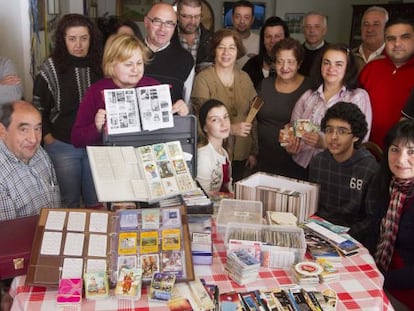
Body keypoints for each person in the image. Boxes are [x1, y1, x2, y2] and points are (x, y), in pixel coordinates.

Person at [33, 14, 102, 208]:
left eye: (84, 38)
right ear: (63, 40)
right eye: (72, 39)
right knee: (68, 202)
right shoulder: (51, 68)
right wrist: (48, 138)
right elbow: (38, 107)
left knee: (96, 201)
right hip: (62, 145)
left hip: (96, 145)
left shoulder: (102, 65)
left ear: (91, 39)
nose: (78, 44)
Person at [285, 43, 372, 170]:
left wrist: (324, 143)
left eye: (338, 64)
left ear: (348, 68)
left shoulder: (357, 96)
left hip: (337, 170)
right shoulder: (308, 96)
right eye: (326, 63)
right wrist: (290, 145)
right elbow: (292, 128)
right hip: (301, 166)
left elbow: (361, 141)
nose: (331, 68)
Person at [191, 28, 257, 182]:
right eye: (221, 47)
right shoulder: (203, 79)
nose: (226, 52)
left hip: (242, 151)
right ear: (214, 50)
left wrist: (254, 150)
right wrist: (231, 129)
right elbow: (201, 119)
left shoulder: (245, 78)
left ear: (238, 51)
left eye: (231, 48)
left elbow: (253, 116)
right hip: (214, 152)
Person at [308, 102, 379, 245]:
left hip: (353, 238)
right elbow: (313, 205)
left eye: (342, 131)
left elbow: (372, 218)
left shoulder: (369, 169)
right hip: (318, 234)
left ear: (356, 136)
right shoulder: (318, 162)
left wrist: (345, 235)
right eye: (329, 130)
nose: (333, 137)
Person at [71, 34, 159, 147]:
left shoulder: (153, 87)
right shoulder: (95, 91)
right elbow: (77, 139)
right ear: (111, 65)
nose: (135, 69)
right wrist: (97, 127)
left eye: (139, 63)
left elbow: (169, 130)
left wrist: (179, 114)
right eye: (128, 64)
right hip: (111, 158)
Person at [372, 119, 414, 310]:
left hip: (405, 294)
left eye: (411, 152)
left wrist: (379, 278)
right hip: (380, 277)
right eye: (395, 149)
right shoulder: (389, 186)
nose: (400, 159)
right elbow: (373, 233)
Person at [256, 38, 312, 179]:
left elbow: (314, 124)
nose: (284, 67)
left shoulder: (310, 87)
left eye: (290, 62)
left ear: (299, 64)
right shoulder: (265, 84)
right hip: (263, 158)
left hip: (295, 160)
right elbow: (252, 115)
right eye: (280, 61)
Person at [0, 101, 61, 221]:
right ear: (2, 131)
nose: (33, 139)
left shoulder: (39, 152)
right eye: (24, 129)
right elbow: (9, 234)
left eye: (37, 128)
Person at [359, 17, 414, 149]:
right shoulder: (371, 68)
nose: (397, 43)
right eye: (391, 39)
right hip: (365, 152)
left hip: (404, 157)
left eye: (405, 37)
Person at [143, 2, 193, 112]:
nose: (162, 28)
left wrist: (185, 108)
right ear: (146, 22)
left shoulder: (185, 60)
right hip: (133, 128)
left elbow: (189, 101)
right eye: (157, 21)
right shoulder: (128, 53)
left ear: (175, 27)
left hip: (172, 127)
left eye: (169, 23)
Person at [242, 16, 290, 89]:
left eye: (277, 36)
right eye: (268, 36)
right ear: (263, 40)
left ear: (286, 38)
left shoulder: (294, 66)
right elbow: (244, 95)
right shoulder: (251, 65)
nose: (273, 40)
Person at [196, 99, 232, 193]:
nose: (224, 124)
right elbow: (203, 198)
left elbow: (228, 186)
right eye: (215, 120)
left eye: (226, 117)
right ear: (205, 127)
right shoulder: (204, 157)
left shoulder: (223, 151)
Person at [172, 0, 213, 73]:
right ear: (177, 16)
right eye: (187, 16)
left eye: (197, 16)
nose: (192, 21)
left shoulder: (211, 39)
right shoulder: (168, 38)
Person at [352, 6, 388, 72]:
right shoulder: (349, 57)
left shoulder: (393, 59)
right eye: (366, 24)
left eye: (376, 24)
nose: (369, 29)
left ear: (386, 29)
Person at [299, 11, 328, 76]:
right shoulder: (296, 52)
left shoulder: (331, 52)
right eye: (308, 26)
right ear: (303, 30)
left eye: (317, 26)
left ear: (324, 30)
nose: (312, 30)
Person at [232, 0, 260, 68]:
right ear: (232, 18)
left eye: (246, 17)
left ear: (252, 20)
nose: (242, 21)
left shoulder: (260, 41)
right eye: (238, 16)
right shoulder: (224, 40)